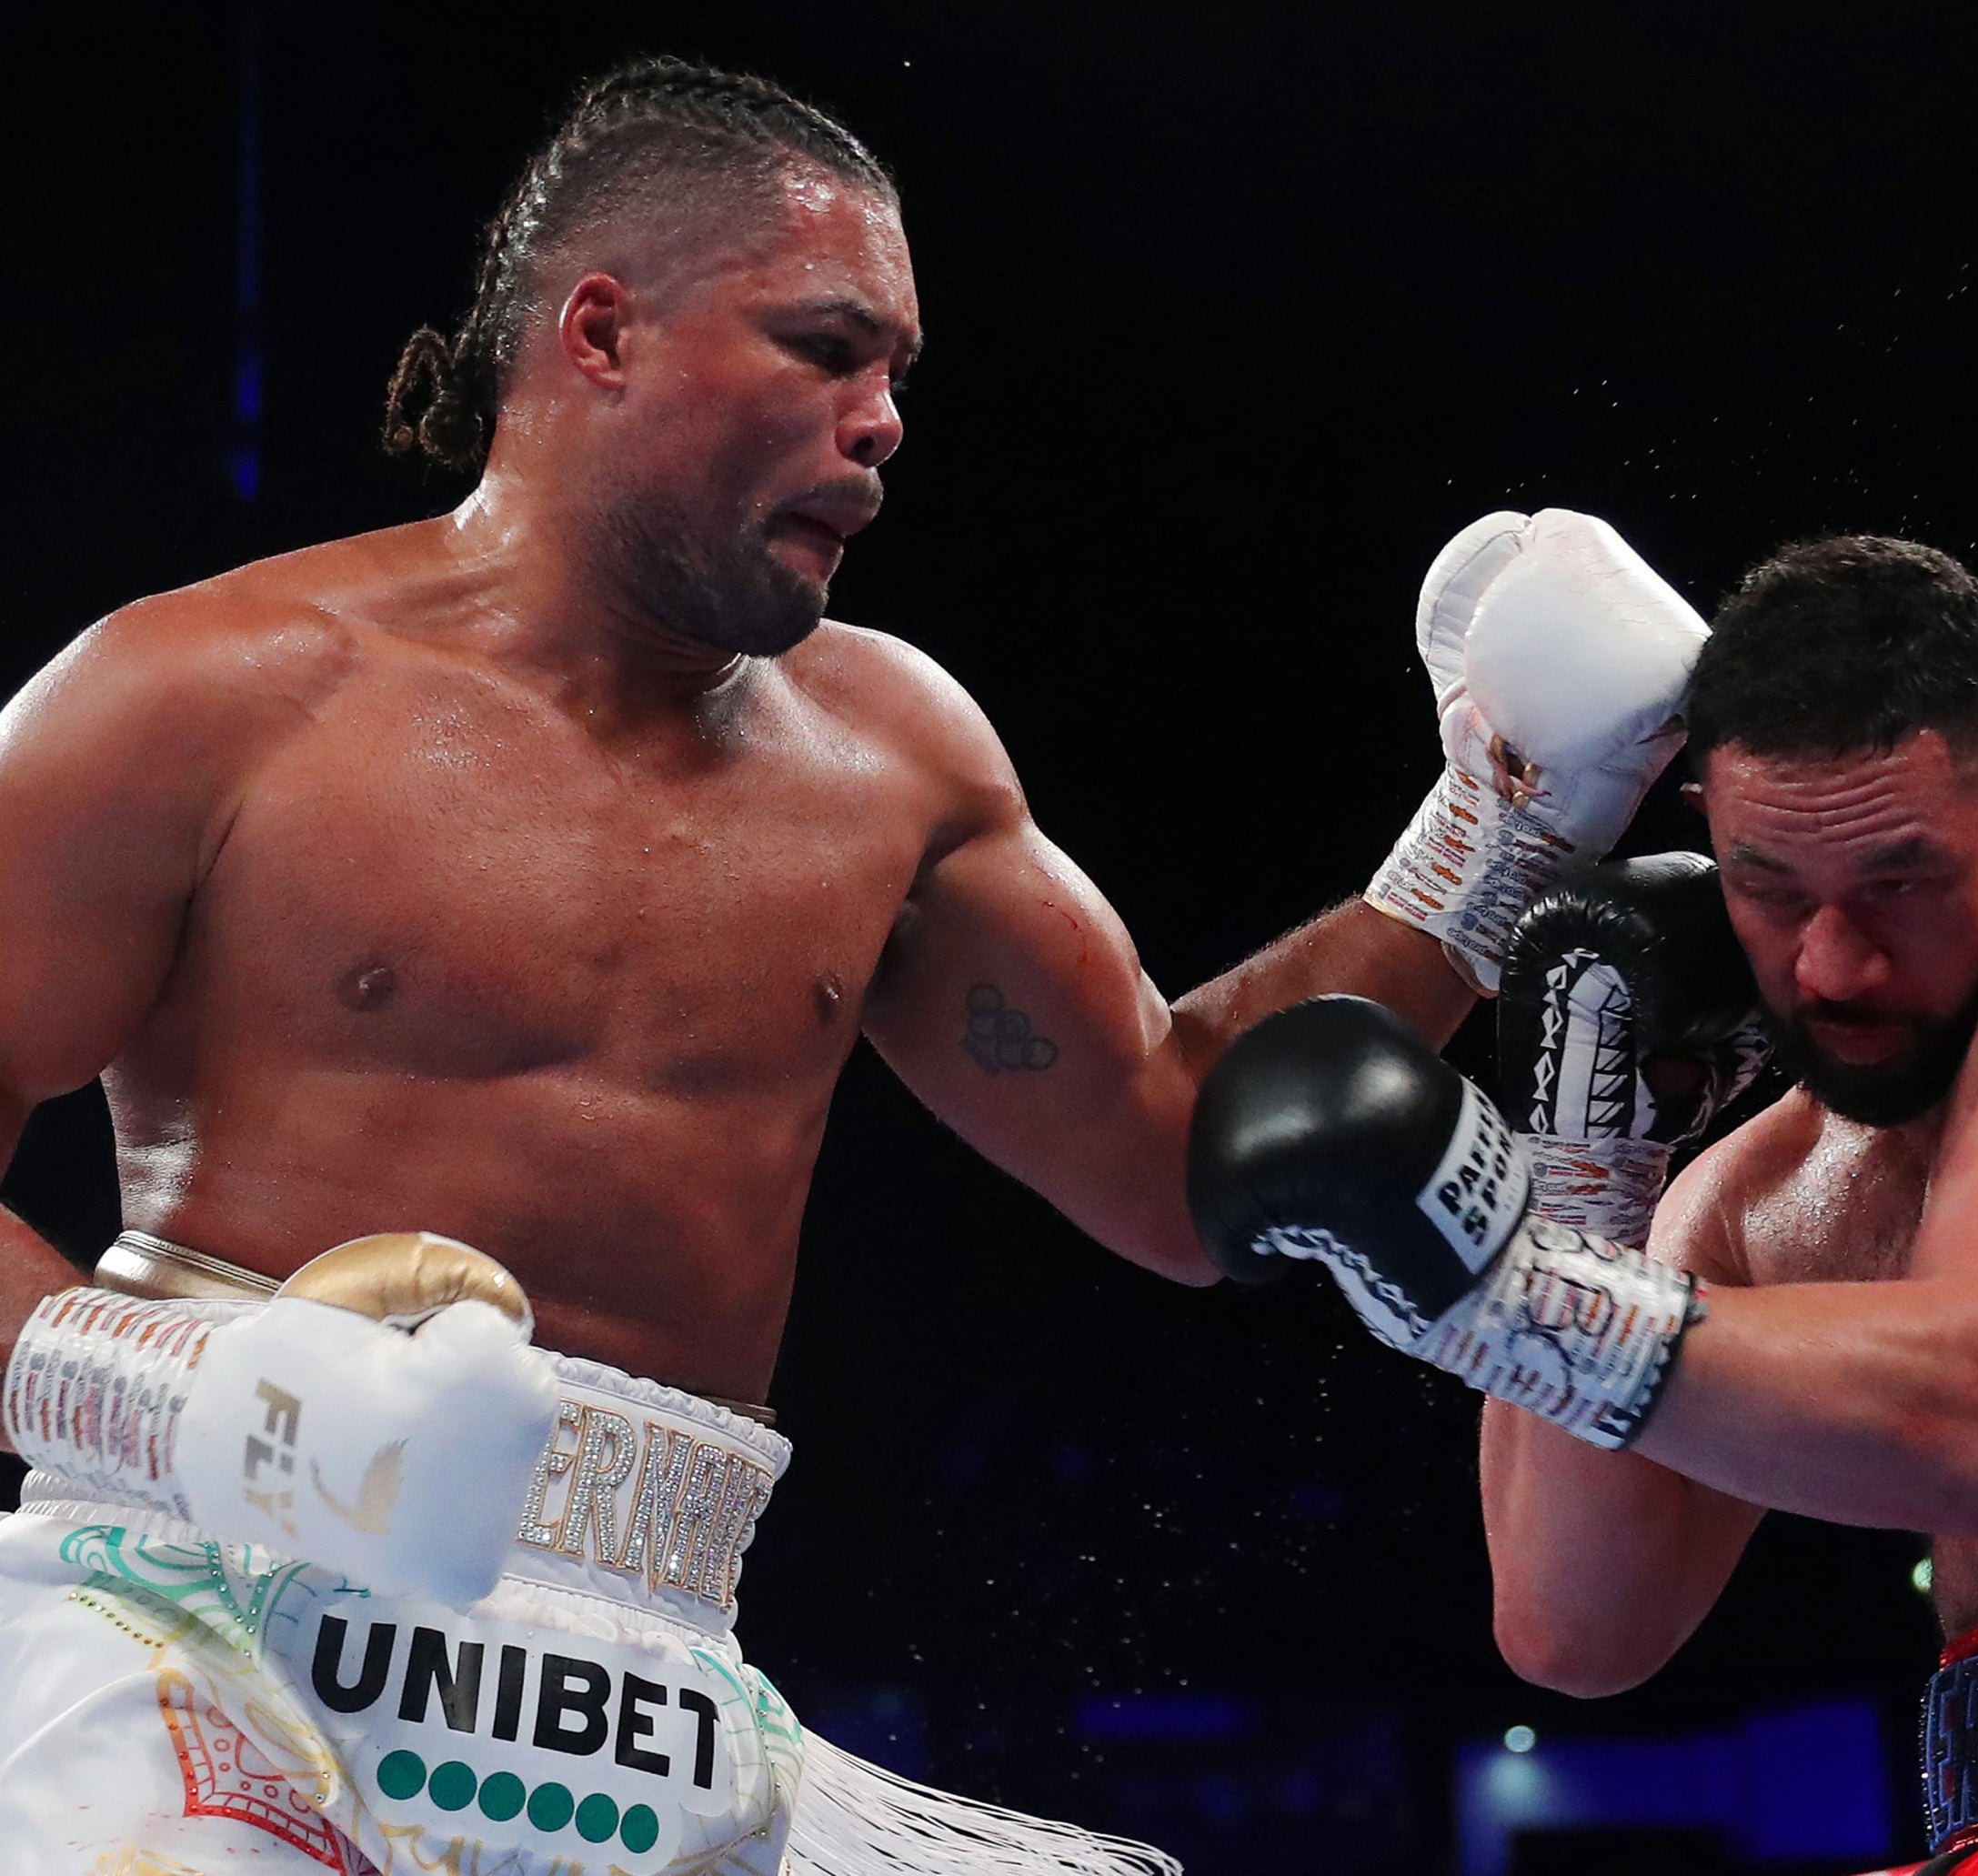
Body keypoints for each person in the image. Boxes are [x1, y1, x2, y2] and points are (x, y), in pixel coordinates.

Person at [0, 55, 1716, 1876]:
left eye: (897, 370)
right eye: (826, 349)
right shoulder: (196, 699)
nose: (883, 420)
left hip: (650, 1673)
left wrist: (1497, 828)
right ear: (604, 333)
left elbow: (1172, 1159)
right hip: (200, 1622)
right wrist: (191, 1394)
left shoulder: (889, 755)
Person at [1188, 536, 1978, 1875]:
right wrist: (1587, 1168)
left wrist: (1499, 1291)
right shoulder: (1772, 1182)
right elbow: (1576, 1624)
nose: (1834, 961)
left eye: (1900, 882)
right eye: (1772, 888)